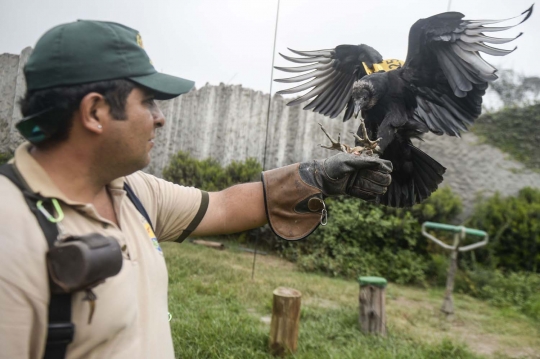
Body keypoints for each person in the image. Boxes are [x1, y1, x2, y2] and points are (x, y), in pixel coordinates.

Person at [0, 20, 392, 359]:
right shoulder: (11, 230)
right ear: (95, 112)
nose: (160, 119)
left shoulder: (134, 192)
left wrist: (318, 176)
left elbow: (222, 207)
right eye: (149, 101)